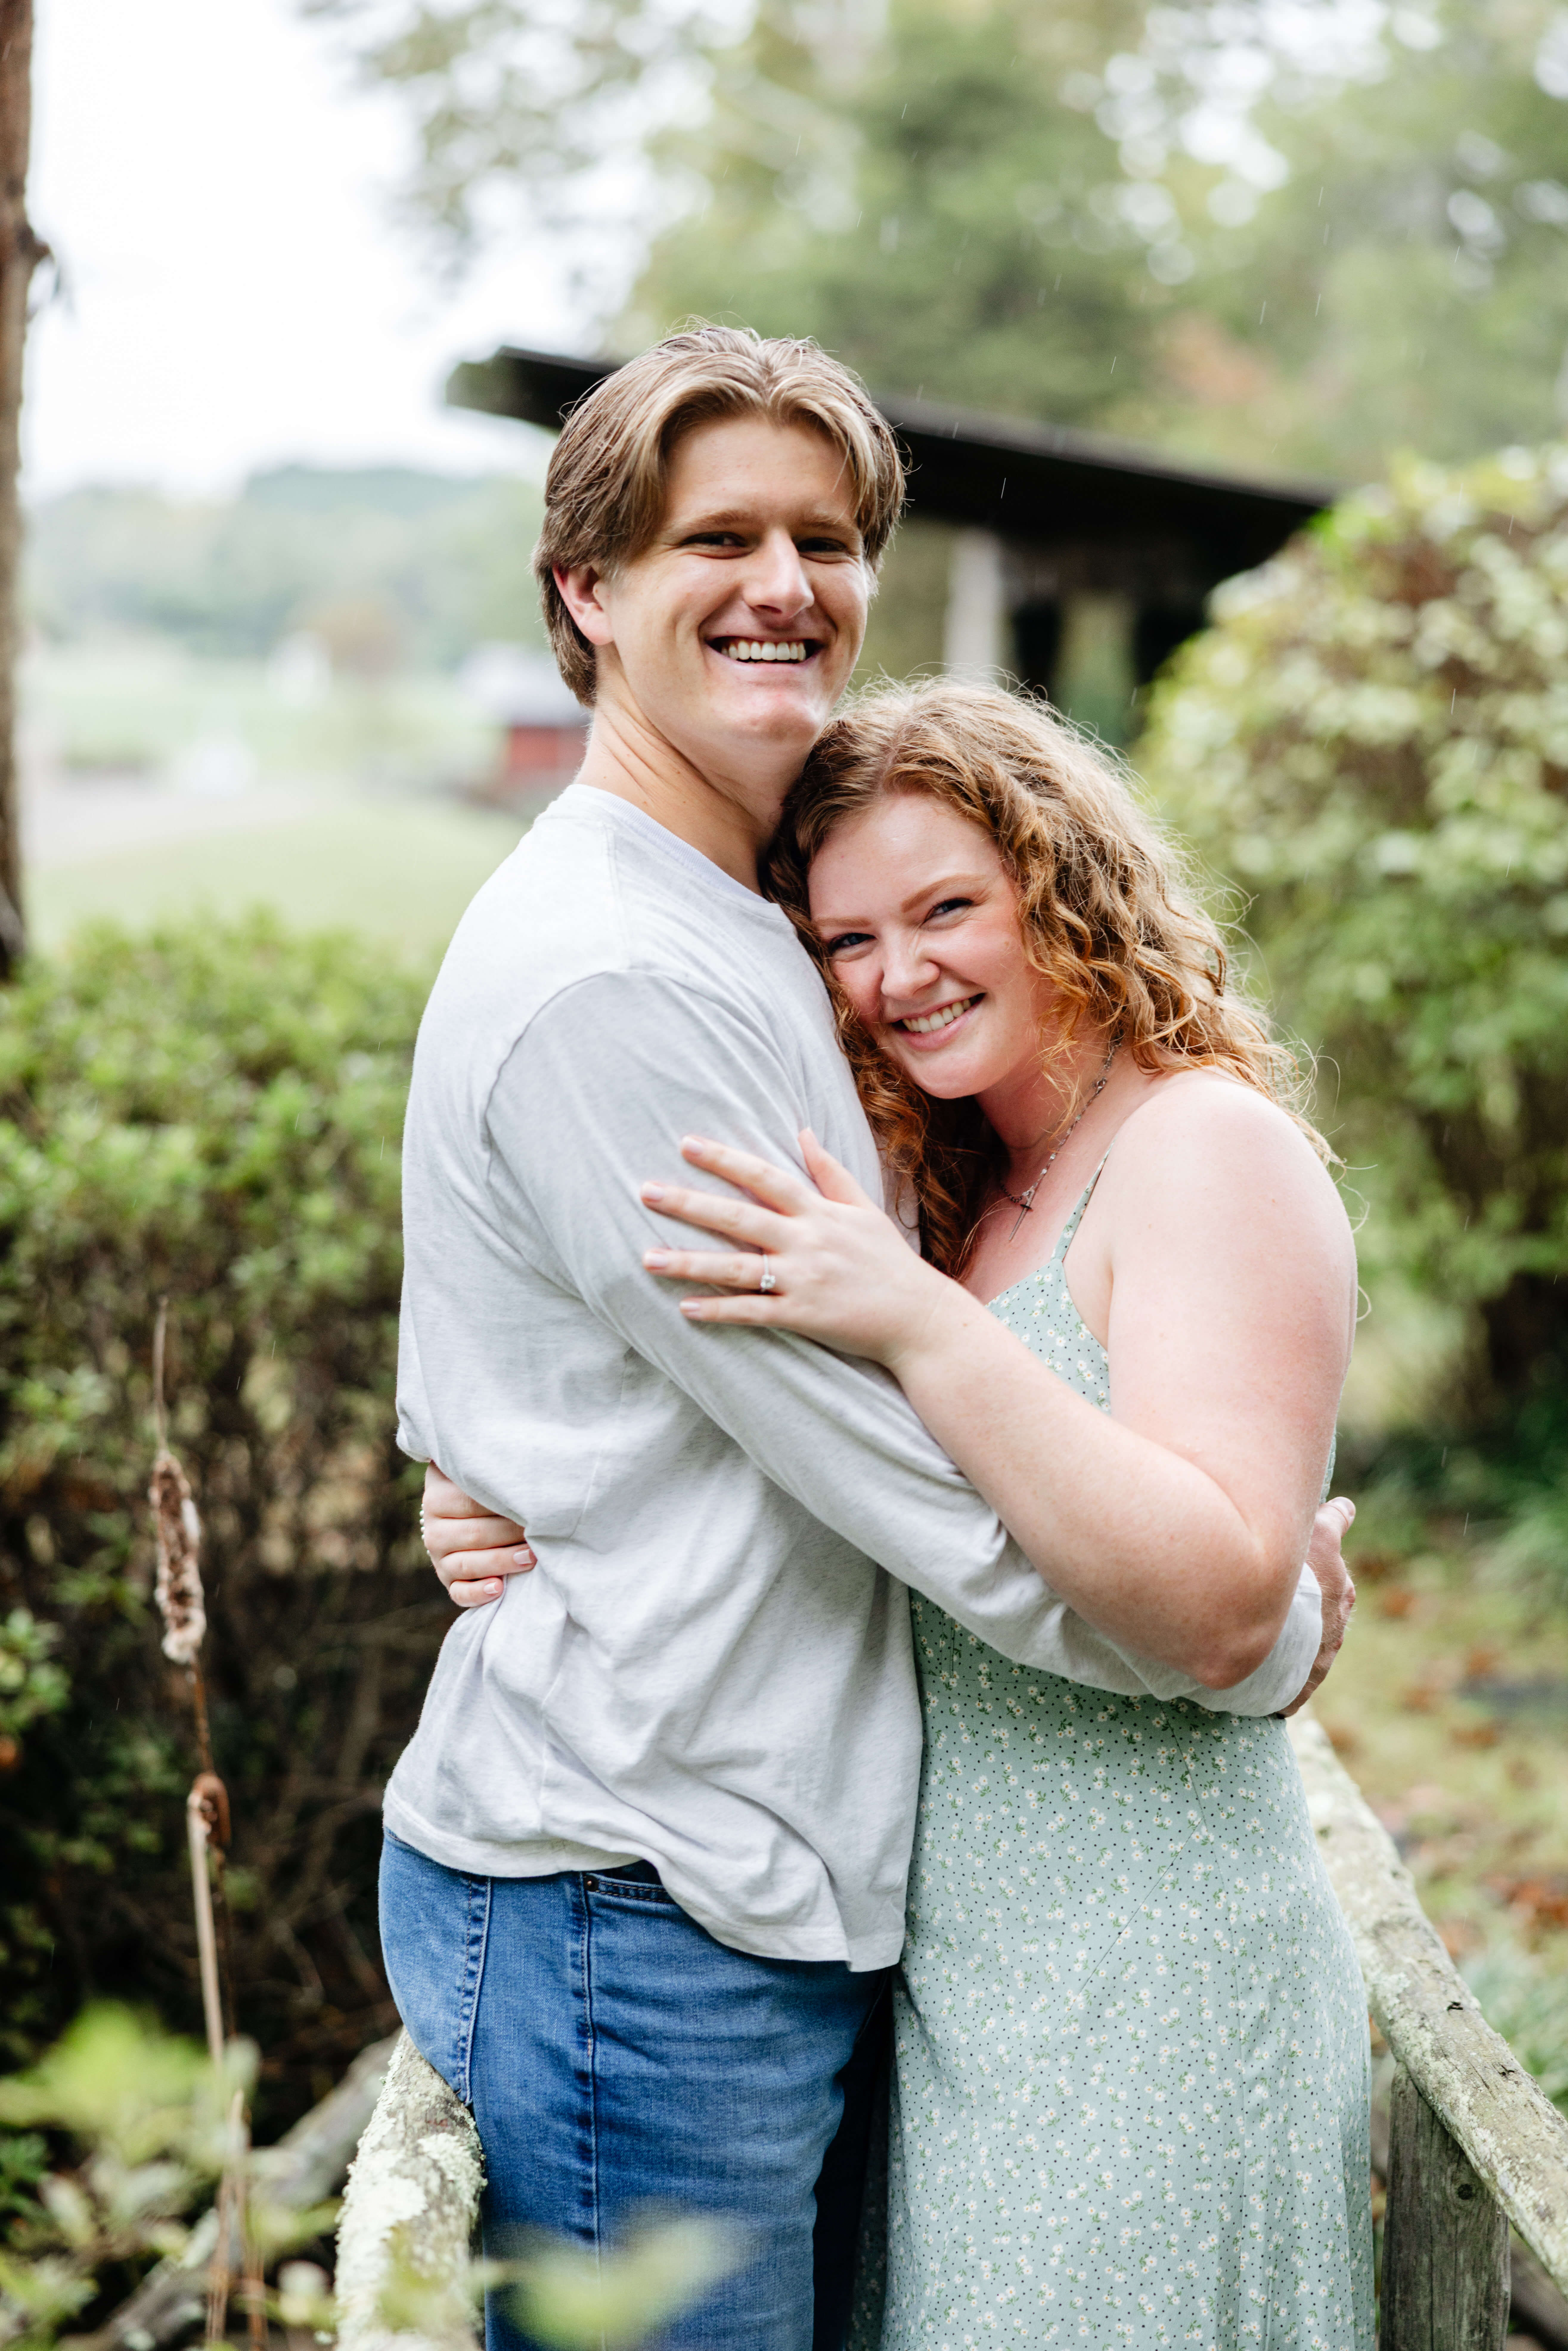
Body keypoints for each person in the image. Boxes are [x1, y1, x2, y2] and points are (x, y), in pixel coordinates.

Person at [386, 325, 1355, 2351]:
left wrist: (535, 1459)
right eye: (714, 535)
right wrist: (1250, 1621)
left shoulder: (736, 928)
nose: (783, 583)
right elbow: (899, 1468)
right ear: (586, 592)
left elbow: (772, 1398)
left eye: (824, 537)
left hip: (861, 1921)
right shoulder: (616, 979)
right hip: (644, 1908)